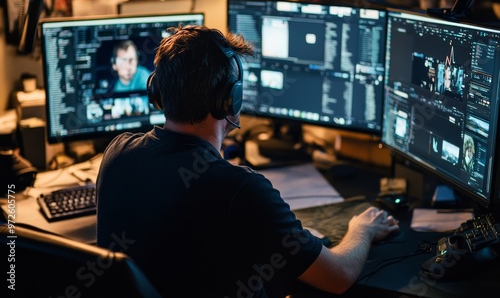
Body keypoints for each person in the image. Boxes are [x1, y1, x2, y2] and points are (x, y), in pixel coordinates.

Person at [96, 25, 399, 297]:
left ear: (157, 91)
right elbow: (338, 277)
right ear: (231, 100)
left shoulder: (117, 152)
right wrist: (363, 229)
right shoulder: (240, 188)